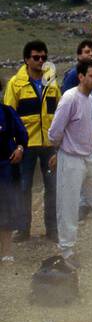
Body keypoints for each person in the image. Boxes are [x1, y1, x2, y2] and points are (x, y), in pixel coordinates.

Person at [47, 58, 92, 262]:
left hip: (89, 155)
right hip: (71, 158)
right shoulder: (70, 98)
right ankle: (67, 251)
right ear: (81, 77)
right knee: (68, 205)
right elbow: (54, 132)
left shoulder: (89, 98)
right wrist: (58, 152)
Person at [4, 41, 60, 243]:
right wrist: (14, 145)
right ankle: (23, 229)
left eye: (44, 57)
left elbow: (59, 111)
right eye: (36, 57)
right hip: (26, 145)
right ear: (26, 59)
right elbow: (9, 115)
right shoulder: (15, 84)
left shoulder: (51, 82)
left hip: (49, 144)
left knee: (52, 186)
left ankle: (52, 229)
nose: (40, 61)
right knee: (24, 187)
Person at [0, 97, 26, 264]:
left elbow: (22, 134)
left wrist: (20, 148)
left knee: (5, 208)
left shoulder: (7, 112)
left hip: (5, 167)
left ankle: (7, 250)